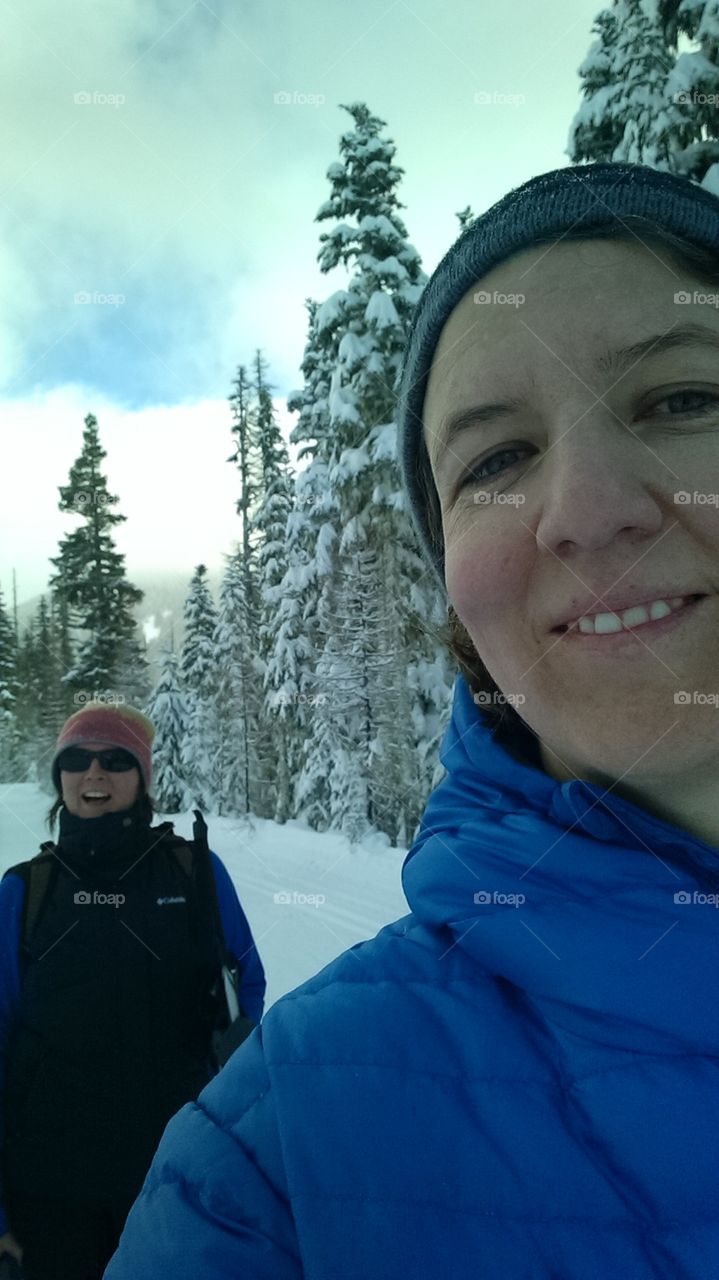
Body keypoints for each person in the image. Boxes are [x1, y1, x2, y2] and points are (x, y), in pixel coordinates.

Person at [104, 161, 719, 1278]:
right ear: (452, 597)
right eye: (496, 458)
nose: (586, 510)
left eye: (680, 398)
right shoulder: (266, 1171)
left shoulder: (183, 874)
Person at [0, 700, 266, 1280]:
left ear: (142, 777)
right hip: (48, 1193)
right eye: (78, 759)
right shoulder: (25, 892)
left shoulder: (191, 870)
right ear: (60, 777)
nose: (94, 773)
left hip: (172, 1180)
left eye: (115, 759)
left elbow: (245, 984)